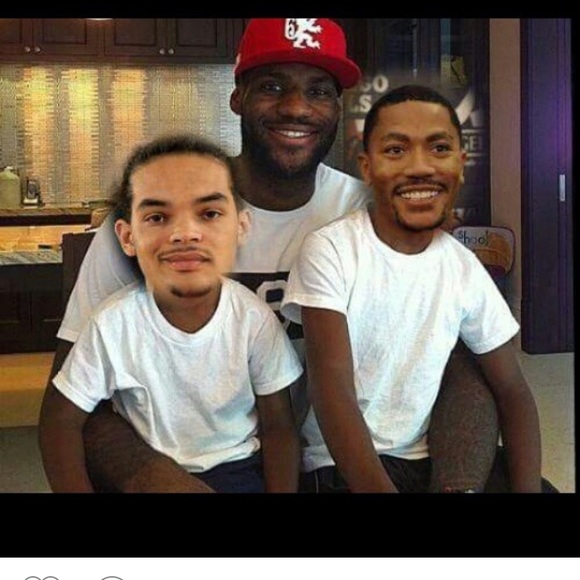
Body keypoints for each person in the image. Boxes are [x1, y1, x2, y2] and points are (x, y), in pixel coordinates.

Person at [47, 18, 500, 493]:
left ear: (338, 107)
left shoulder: (375, 214)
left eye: (318, 90)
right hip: (194, 464)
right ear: (237, 97)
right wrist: (153, 476)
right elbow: (73, 399)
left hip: (343, 461)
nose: (296, 107)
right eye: (272, 86)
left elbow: (460, 362)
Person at [280, 84, 549, 493]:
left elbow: (512, 389)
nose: (420, 167)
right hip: (341, 464)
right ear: (368, 167)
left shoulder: (461, 267)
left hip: (423, 459)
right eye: (396, 150)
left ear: (460, 164)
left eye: (439, 148)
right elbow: (332, 390)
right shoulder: (332, 250)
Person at [39, 135, 303, 493]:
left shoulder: (253, 320)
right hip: (146, 473)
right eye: (158, 217)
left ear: (240, 227)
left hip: (238, 473)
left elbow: (279, 427)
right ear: (128, 237)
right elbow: (61, 421)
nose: (185, 234)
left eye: (209, 214)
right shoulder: (112, 325)